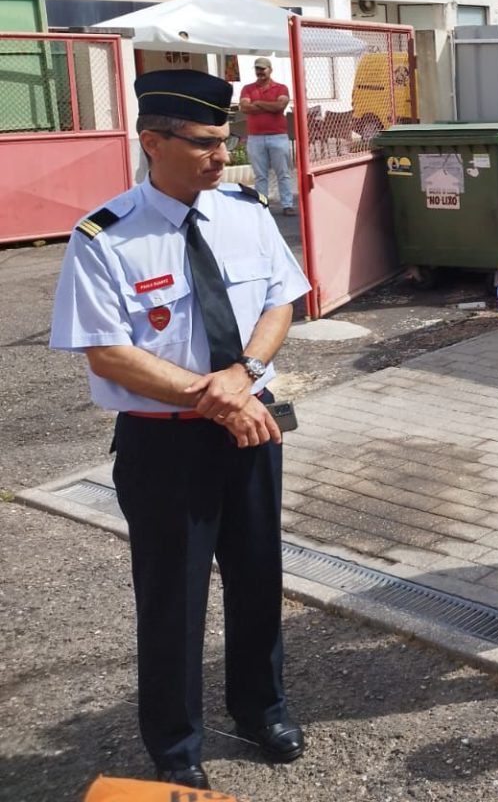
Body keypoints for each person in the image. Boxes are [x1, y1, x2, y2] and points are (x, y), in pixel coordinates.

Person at [50, 69, 311, 790]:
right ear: (152, 142)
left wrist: (245, 373)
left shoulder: (246, 212)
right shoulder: (105, 236)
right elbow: (108, 353)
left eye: (225, 140)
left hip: (251, 424)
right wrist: (215, 396)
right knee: (174, 595)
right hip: (164, 443)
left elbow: (282, 302)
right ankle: (175, 744)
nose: (222, 156)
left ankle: (262, 709)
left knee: (258, 577)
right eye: (203, 143)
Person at [239, 57, 295, 216]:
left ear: (270, 69)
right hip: (255, 137)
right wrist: (270, 106)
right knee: (260, 175)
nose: (260, 72)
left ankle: (287, 204)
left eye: (263, 69)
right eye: (257, 69)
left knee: (283, 173)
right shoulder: (247, 88)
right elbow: (244, 107)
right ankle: (262, 205)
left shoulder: (281, 88)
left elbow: (280, 106)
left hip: (278, 136)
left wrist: (257, 103)